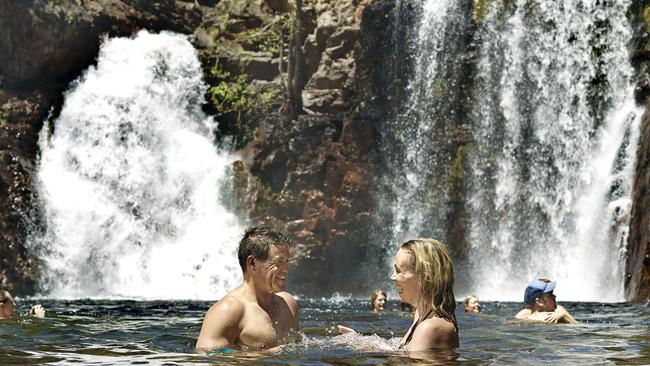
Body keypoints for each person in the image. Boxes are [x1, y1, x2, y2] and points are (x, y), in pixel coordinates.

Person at [340, 239, 459, 352]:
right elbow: (402, 350)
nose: (392, 277)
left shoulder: (429, 328)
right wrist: (359, 340)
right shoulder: (420, 313)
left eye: (398, 271)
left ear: (425, 277)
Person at [196, 227, 299, 351]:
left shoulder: (288, 303)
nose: (286, 269)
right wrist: (264, 356)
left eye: (287, 261)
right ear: (252, 263)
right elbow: (207, 357)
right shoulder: (228, 310)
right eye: (278, 262)